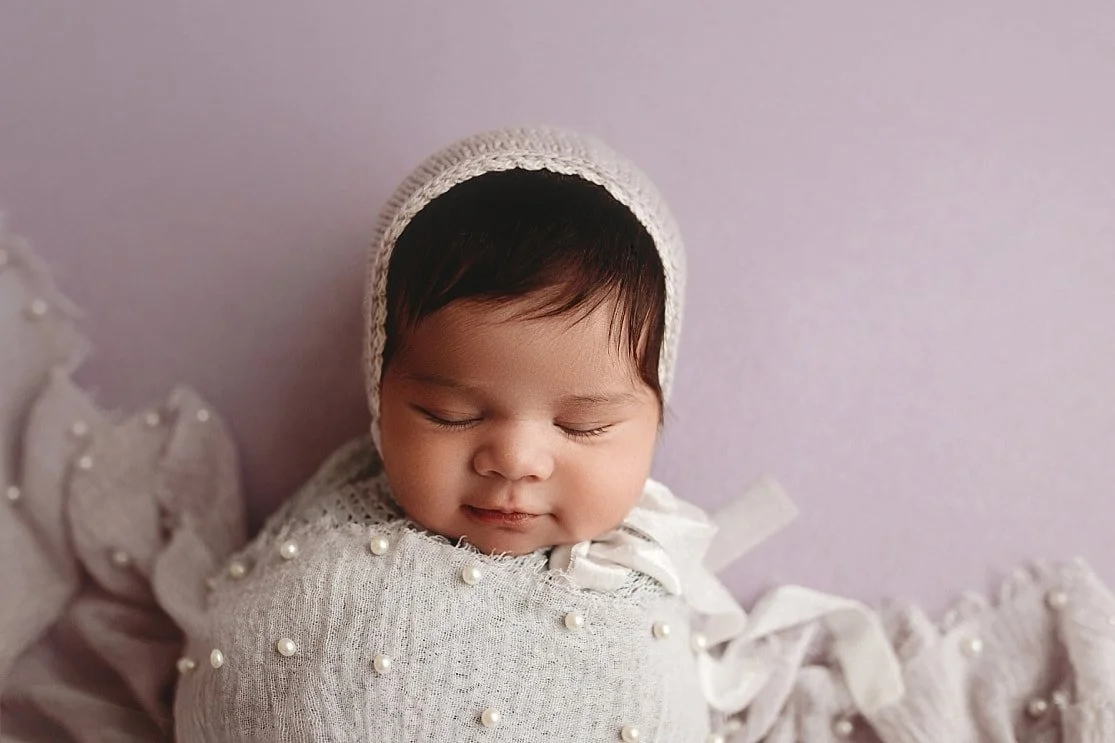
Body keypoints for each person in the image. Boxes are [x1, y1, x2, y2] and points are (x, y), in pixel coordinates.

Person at [3, 128, 1111, 743]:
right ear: (377, 388)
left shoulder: (645, 584)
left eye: (584, 422)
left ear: (657, 414)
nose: (516, 456)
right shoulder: (326, 535)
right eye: (447, 409)